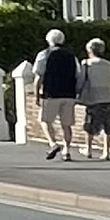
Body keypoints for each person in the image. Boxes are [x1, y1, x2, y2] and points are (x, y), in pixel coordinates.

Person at [35, 26, 80, 160]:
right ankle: (66, 150)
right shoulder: (72, 56)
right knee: (66, 124)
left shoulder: (44, 54)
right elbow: (78, 75)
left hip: (51, 94)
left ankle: (53, 143)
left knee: (44, 120)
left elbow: (39, 76)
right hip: (69, 94)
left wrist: (37, 94)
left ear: (48, 40)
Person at [78, 36, 110, 161]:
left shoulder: (86, 64)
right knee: (108, 126)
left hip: (94, 97)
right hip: (109, 97)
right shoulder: (109, 64)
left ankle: (88, 149)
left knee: (89, 124)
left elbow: (81, 80)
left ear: (90, 50)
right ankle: (106, 151)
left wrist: (78, 93)